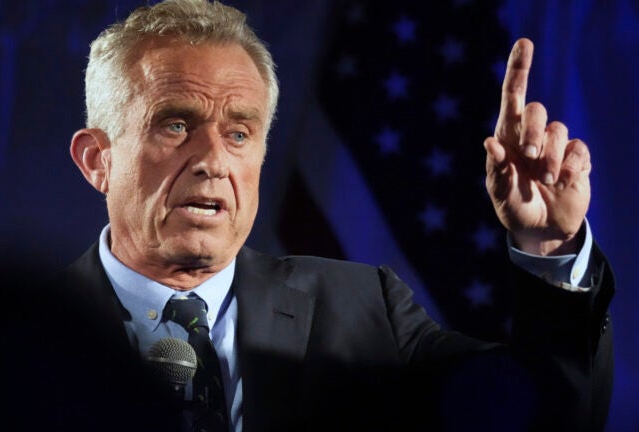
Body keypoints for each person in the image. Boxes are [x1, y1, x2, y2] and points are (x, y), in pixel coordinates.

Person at [59, 0, 614, 431]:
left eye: (239, 133)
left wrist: (547, 250)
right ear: (97, 160)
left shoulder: (363, 311)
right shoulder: (19, 342)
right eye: (175, 125)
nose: (212, 161)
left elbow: (541, 416)